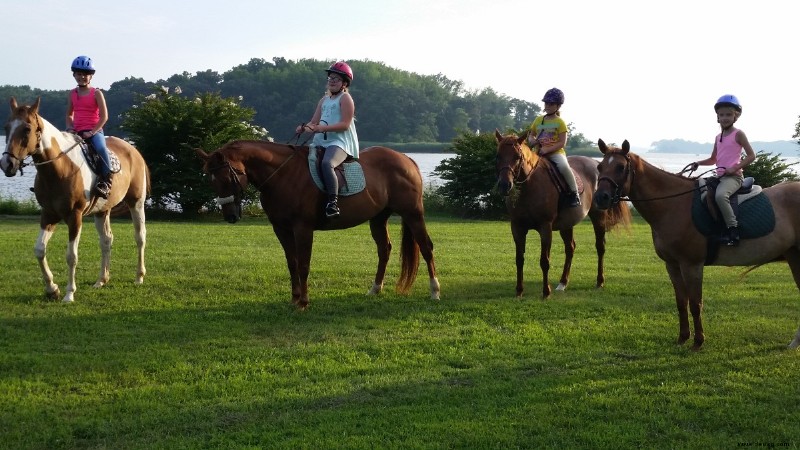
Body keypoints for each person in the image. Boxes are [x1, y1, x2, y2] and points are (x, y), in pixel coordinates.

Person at [690, 94, 756, 246]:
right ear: (717, 117)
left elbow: (752, 155)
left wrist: (735, 168)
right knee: (700, 190)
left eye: (729, 114)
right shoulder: (718, 137)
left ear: (735, 116)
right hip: (720, 176)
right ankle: (714, 228)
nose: (725, 118)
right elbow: (713, 159)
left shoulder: (738, 134)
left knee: (720, 196)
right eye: (722, 115)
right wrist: (698, 163)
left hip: (734, 178)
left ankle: (733, 230)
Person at [296, 61, 359, 218]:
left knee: (327, 163)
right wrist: (304, 129)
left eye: (336, 79)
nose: (331, 81)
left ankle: (333, 203)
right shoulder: (323, 100)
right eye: (330, 78)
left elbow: (344, 124)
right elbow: (314, 123)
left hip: (339, 142)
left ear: (344, 83)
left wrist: (322, 128)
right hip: (320, 141)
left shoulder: (345, 99)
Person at [66, 55, 113, 198]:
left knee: (100, 149)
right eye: (79, 74)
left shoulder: (96, 93)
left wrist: (92, 132)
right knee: (59, 149)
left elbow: (104, 117)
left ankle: (106, 182)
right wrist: (69, 128)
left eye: (85, 75)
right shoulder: (72, 94)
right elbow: (69, 115)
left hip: (94, 130)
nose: (82, 77)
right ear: (74, 75)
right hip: (76, 131)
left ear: (91, 76)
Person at [527, 87, 580, 207]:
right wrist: (533, 142)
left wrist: (547, 149)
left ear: (558, 106)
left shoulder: (560, 122)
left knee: (564, 167)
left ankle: (574, 193)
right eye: (546, 103)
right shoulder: (538, 120)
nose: (548, 106)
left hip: (556, 153)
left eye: (551, 104)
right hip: (538, 153)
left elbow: (562, 143)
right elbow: (531, 135)